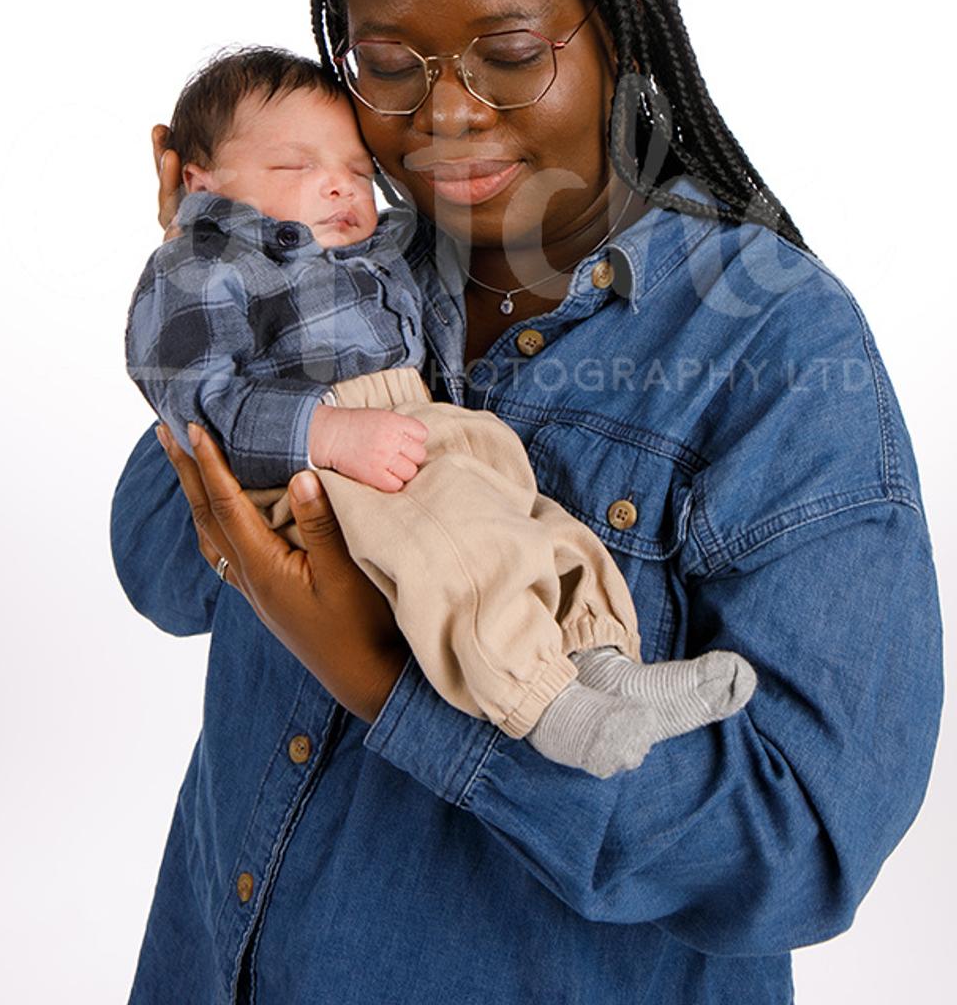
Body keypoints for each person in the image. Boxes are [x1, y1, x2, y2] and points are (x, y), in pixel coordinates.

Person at [111, 0, 943, 1005]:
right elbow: (157, 571)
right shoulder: (340, 268)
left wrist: (387, 678)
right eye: (388, 67)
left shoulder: (771, 344)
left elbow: (803, 846)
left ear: (615, 32)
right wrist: (213, 265)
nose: (445, 113)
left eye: (509, 54)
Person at [125, 44, 756, 777]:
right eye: (297, 168)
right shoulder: (201, 263)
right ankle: (550, 706)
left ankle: (600, 657)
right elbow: (196, 404)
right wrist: (324, 433)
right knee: (453, 550)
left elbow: (435, 243)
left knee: (532, 521)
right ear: (198, 182)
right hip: (315, 457)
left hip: (412, 425)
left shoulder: (379, 247)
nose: (339, 188)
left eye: (360, 173)